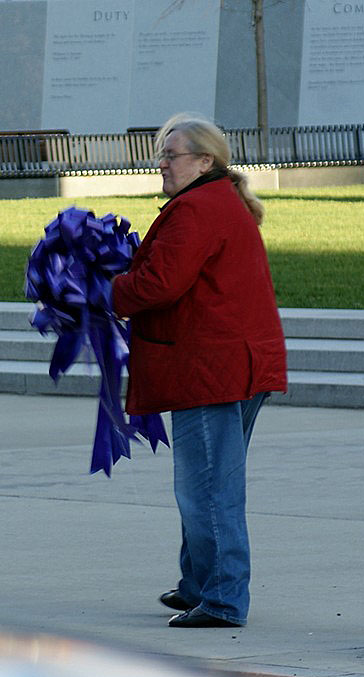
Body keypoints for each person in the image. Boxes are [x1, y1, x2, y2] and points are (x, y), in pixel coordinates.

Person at [112, 114, 287, 628]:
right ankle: (198, 584)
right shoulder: (218, 202)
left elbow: (156, 285)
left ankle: (224, 600)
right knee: (211, 482)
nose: (161, 163)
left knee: (208, 488)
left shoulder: (196, 210)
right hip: (235, 363)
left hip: (211, 370)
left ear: (204, 161)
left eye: (172, 155)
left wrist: (103, 292)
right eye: (161, 154)